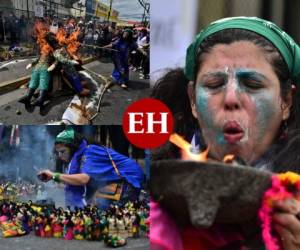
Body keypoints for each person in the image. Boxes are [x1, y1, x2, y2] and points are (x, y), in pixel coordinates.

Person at [150, 17, 300, 250]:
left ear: (286, 101)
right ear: (192, 101)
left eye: (252, 84)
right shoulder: (152, 190)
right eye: (213, 84)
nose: (231, 99)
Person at [39, 127, 145, 210]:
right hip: (113, 180)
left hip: (128, 180)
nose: (60, 156)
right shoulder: (80, 153)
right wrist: (57, 183)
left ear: (73, 147)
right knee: (89, 207)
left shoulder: (90, 152)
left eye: (62, 151)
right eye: (58, 153)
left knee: (99, 211)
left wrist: (54, 175)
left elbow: (83, 179)